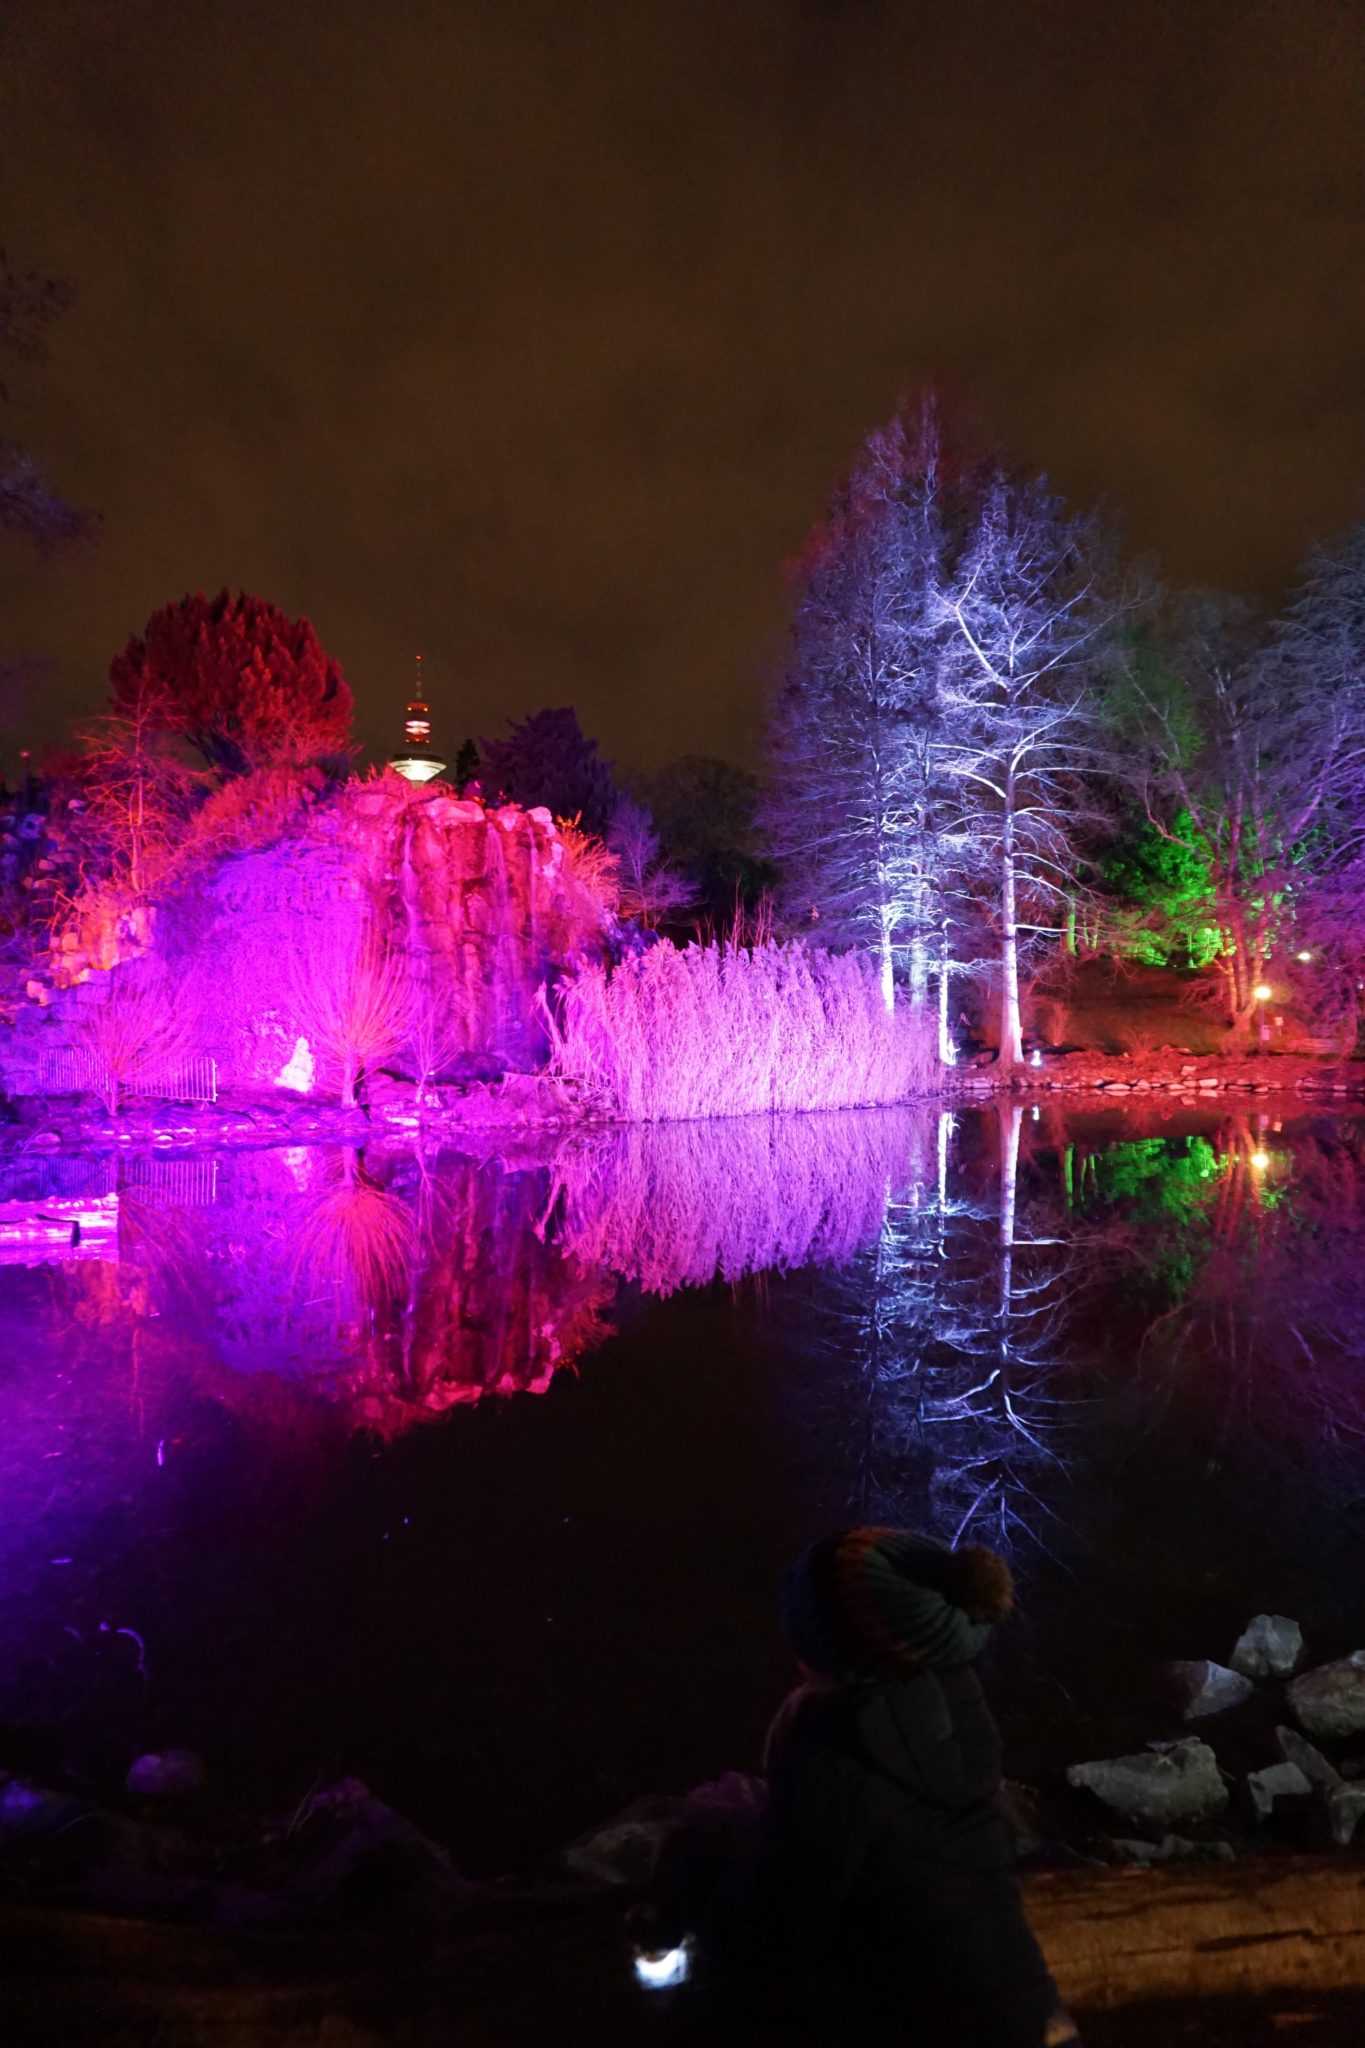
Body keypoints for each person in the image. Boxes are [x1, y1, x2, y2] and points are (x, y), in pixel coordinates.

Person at [743, 1526, 1080, 2048]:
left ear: (829, 1651)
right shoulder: (953, 1707)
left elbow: (770, 1909)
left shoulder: (832, 1756)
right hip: (1036, 2023)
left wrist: (688, 1868)